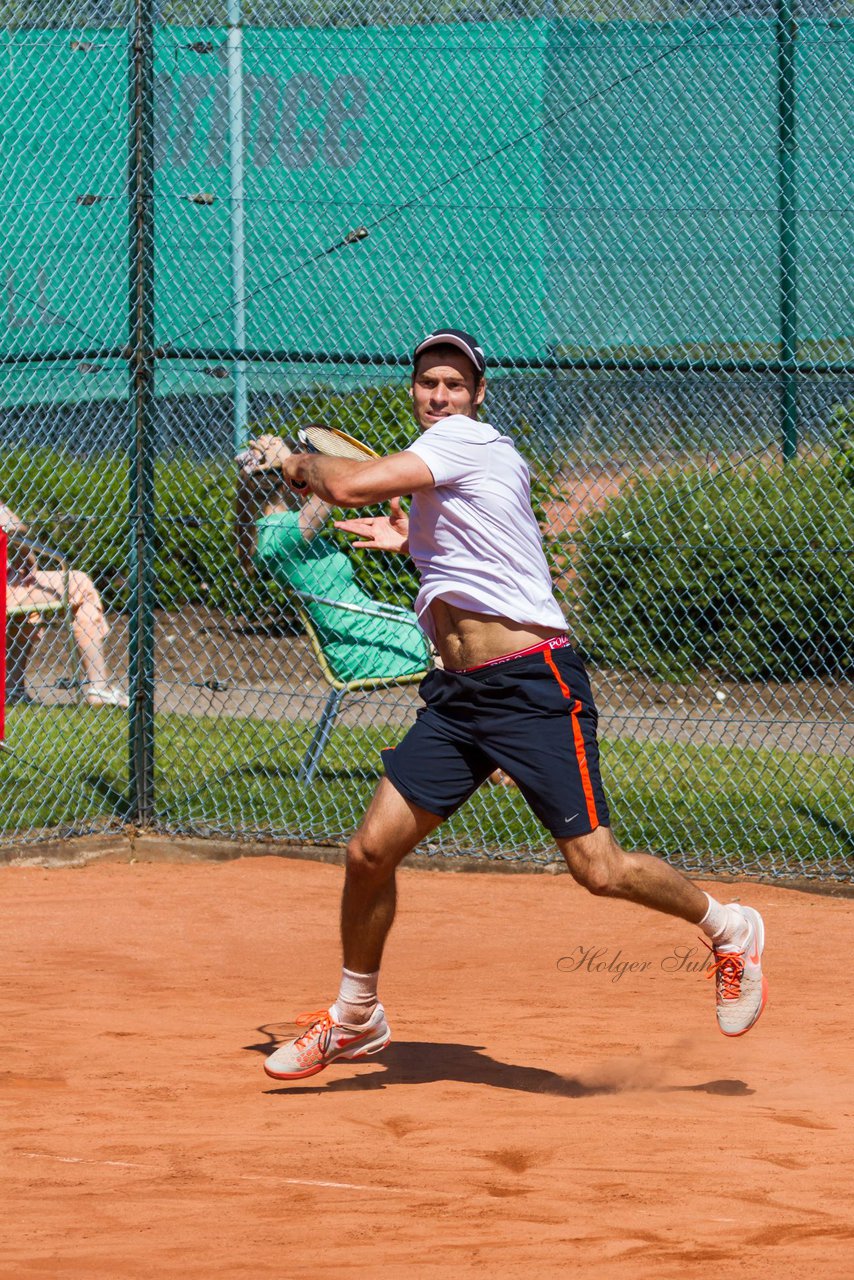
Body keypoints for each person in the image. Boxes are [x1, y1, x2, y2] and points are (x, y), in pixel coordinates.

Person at [247, 327, 767, 1082]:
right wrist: (413, 542)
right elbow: (469, 553)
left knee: (597, 868)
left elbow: (348, 484)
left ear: (476, 395)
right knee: (369, 852)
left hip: (532, 684)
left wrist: (291, 462)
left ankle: (730, 929)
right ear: (414, 389)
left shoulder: (468, 441)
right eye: (429, 382)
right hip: (460, 699)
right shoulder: (439, 481)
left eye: (455, 384)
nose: (440, 395)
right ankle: (357, 1017)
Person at [234, 446, 430, 683]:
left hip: (374, 631)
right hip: (366, 646)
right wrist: (292, 460)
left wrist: (285, 461)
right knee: (467, 647)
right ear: (287, 483)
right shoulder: (280, 534)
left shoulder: (268, 534)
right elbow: (336, 486)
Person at [1, 500, 128, 709]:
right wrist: (25, 550)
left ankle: (12, 689)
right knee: (80, 587)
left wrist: (24, 552)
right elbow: (12, 525)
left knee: (45, 594)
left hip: (11, 581)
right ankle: (98, 687)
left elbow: (13, 525)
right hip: (6, 587)